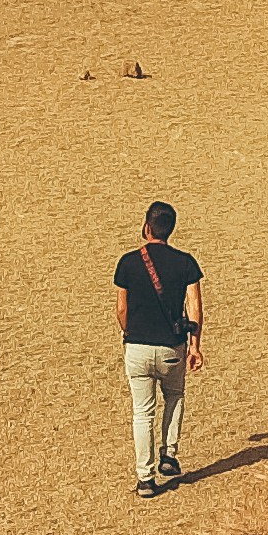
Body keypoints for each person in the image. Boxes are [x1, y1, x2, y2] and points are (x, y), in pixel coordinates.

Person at [114, 199, 203, 497]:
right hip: (171, 348)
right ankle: (169, 454)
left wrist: (129, 332)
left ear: (147, 227)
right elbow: (195, 308)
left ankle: (145, 479)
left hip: (137, 347)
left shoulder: (127, 263)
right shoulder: (186, 263)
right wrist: (195, 346)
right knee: (174, 395)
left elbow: (122, 309)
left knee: (142, 413)